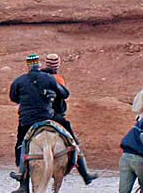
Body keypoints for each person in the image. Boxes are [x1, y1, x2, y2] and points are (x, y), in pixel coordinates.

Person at [37, 53, 98, 185]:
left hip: (36, 117)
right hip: (56, 116)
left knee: (23, 142)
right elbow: (64, 95)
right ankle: (85, 175)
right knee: (74, 143)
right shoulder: (57, 79)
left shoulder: (36, 78)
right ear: (58, 65)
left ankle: (22, 176)